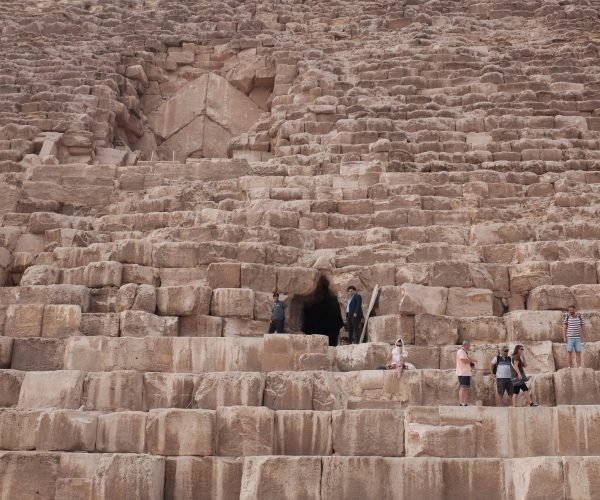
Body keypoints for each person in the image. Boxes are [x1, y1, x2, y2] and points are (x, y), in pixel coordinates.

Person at [456, 340, 475, 406]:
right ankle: (461, 402)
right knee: (462, 387)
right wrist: (471, 360)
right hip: (462, 372)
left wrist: (471, 363)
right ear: (465, 345)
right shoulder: (460, 351)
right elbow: (463, 360)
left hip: (467, 372)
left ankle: (465, 402)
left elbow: (466, 361)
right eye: (469, 345)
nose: (469, 347)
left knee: (467, 388)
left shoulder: (465, 352)